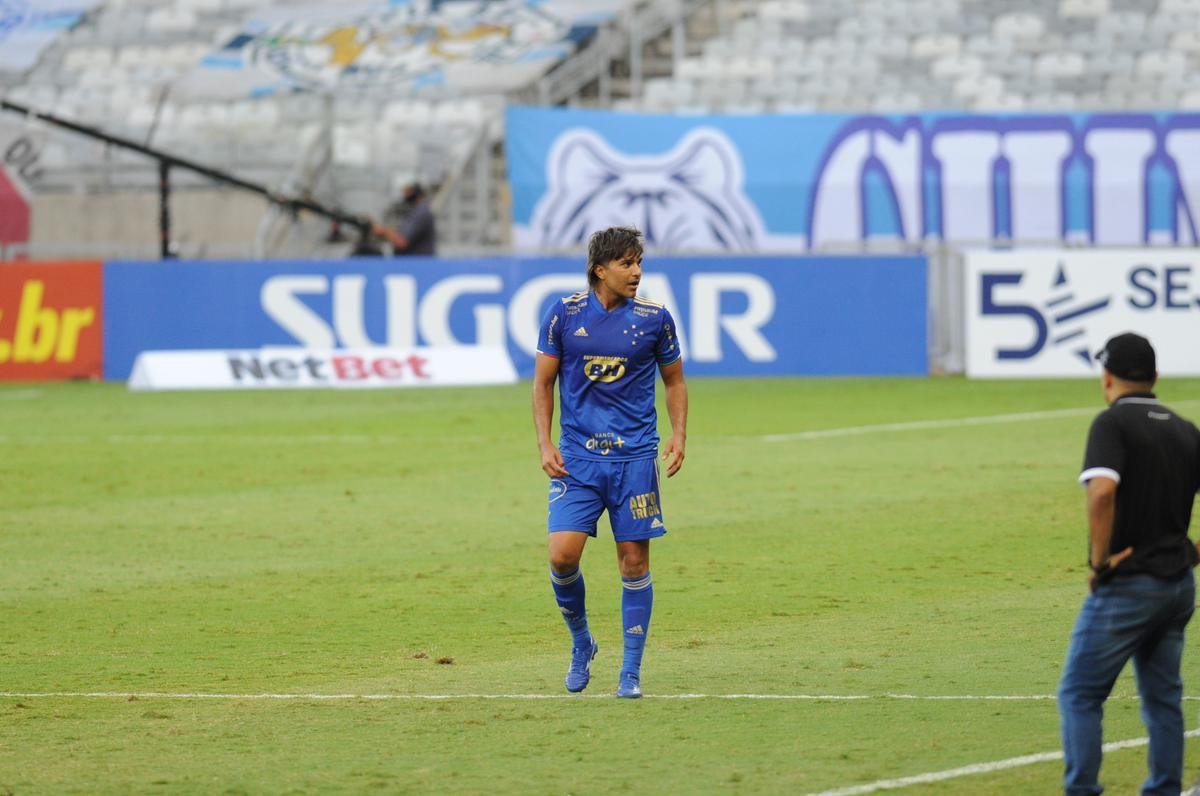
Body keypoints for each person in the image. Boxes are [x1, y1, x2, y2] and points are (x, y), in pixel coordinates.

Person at [531, 225, 687, 699]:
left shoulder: (655, 319)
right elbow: (542, 383)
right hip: (577, 459)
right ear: (600, 270)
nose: (637, 272)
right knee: (561, 556)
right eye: (626, 263)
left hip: (635, 459)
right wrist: (544, 443)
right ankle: (582, 643)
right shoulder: (565, 314)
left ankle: (631, 672)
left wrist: (679, 434)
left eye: (639, 262)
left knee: (633, 562)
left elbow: (675, 382)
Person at [1058, 332, 1200, 795]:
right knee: (1163, 699)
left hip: (1129, 584)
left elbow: (1101, 491)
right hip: (1178, 586)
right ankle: (1165, 788)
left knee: (1080, 693)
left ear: (1106, 378)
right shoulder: (1186, 430)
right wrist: (1193, 551)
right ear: (1155, 377)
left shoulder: (1112, 424)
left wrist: (1100, 565)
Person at [369, 182, 436, 255]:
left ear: (415, 191)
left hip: (415, 263)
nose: (404, 195)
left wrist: (383, 230)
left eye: (407, 192)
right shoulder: (416, 210)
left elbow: (402, 242)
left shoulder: (421, 213)